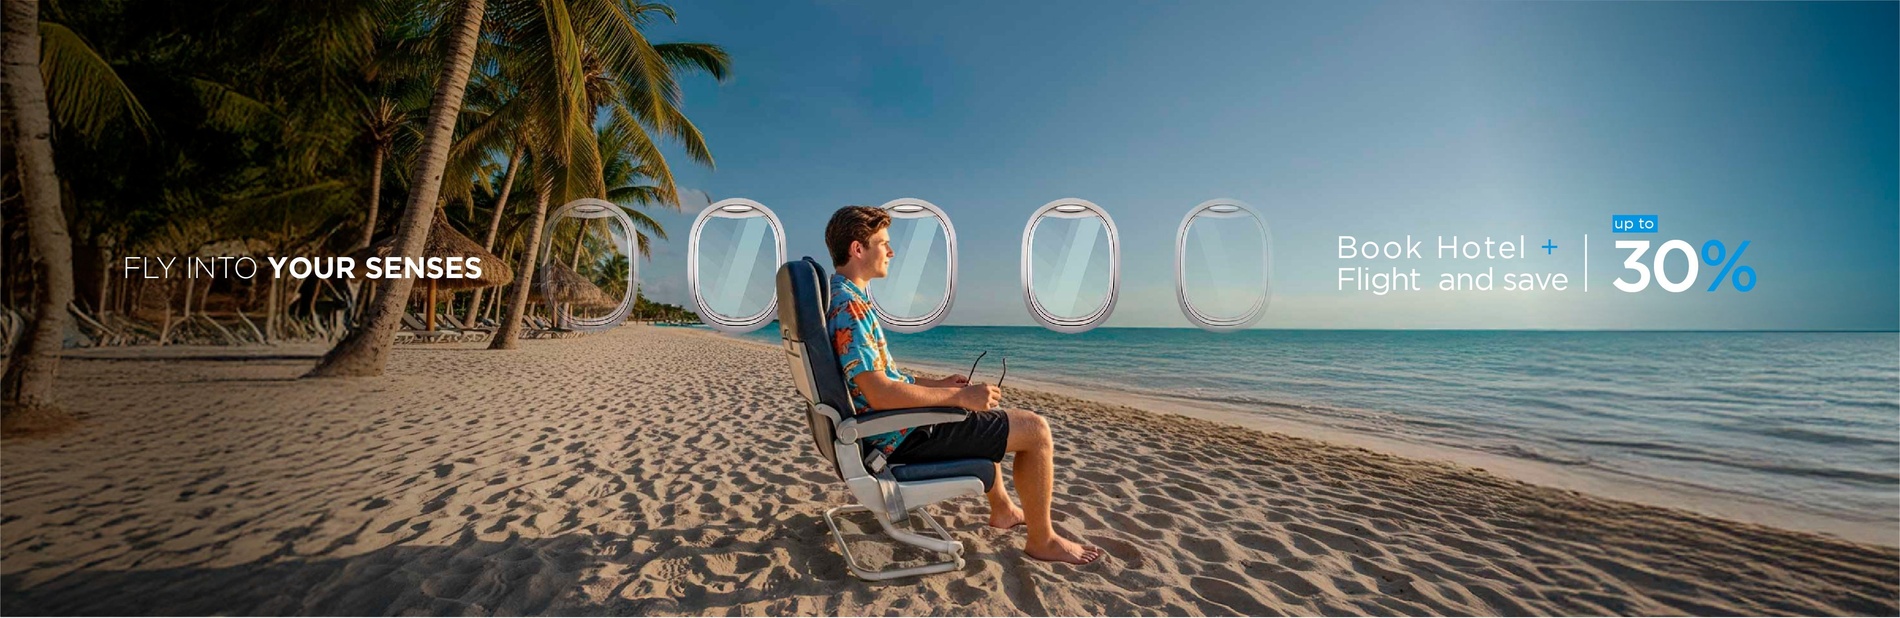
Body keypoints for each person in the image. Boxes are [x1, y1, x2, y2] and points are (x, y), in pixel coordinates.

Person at [823, 205, 1105, 566]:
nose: (891, 252)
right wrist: (958, 396)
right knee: (1035, 430)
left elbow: (881, 379)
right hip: (894, 438)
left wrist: (937, 385)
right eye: (883, 243)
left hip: (885, 429)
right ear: (857, 249)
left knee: (987, 420)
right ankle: (1043, 540)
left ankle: (1003, 509)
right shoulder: (851, 308)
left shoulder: (845, 298)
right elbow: (879, 393)